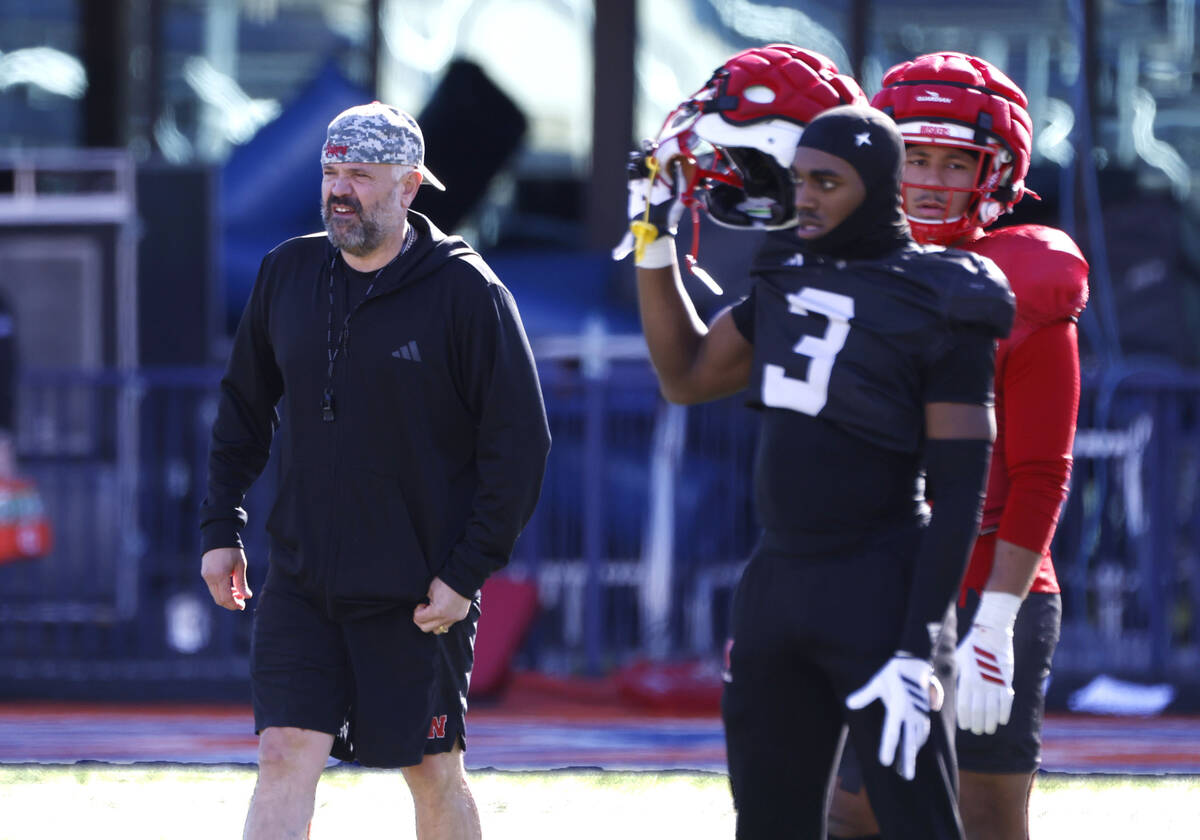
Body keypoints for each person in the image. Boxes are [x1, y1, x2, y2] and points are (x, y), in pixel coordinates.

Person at [621, 54, 1016, 834]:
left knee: (920, 823)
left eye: (827, 183)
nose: (804, 198)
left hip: (880, 583)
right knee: (767, 822)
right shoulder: (786, 274)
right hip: (776, 580)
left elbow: (963, 489)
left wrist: (918, 645)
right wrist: (651, 237)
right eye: (800, 180)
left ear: (878, 187)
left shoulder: (946, 295)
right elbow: (687, 373)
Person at [199, 101, 551, 840]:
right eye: (332, 171)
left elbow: (519, 446)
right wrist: (220, 529)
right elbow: (241, 411)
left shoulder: (467, 292)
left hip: (417, 591)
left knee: (432, 770)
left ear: (410, 186)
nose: (339, 189)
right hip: (301, 581)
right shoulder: (285, 272)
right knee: (284, 752)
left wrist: (466, 574)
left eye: (360, 174)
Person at [827, 53, 1089, 840]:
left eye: (956, 160)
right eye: (915, 156)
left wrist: (996, 620)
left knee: (984, 819)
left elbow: (1042, 473)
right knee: (851, 814)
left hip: (985, 586)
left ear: (996, 172)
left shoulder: (1023, 283)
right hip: (873, 585)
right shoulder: (843, 273)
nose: (933, 179)